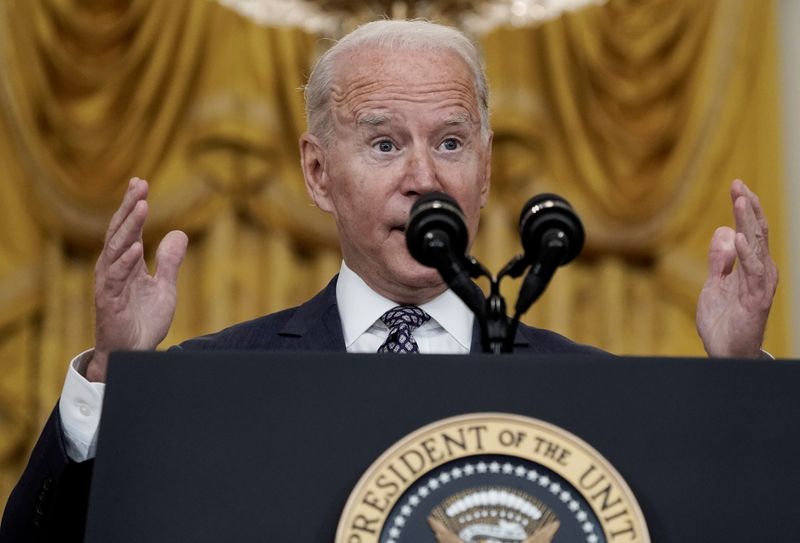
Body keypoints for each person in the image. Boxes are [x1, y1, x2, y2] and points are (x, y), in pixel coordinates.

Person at [0, 19, 778, 542]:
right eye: (382, 144)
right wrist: (112, 375)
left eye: (449, 141)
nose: (423, 178)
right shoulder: (212, 381)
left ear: (486, 171)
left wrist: (742, 387)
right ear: (317, 172)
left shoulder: (592, 392)